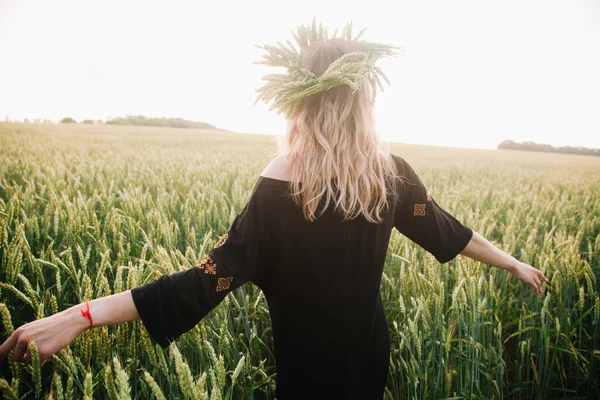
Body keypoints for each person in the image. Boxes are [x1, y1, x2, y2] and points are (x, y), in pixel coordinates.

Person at [0, 21, 548, 400]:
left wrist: (79, 315)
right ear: (365, 98)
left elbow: (200, 284)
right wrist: (514, 263)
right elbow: (450, 233)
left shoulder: (279, 182)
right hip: (367, 358)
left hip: (306, 374)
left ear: (299, 99)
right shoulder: (391, 174)